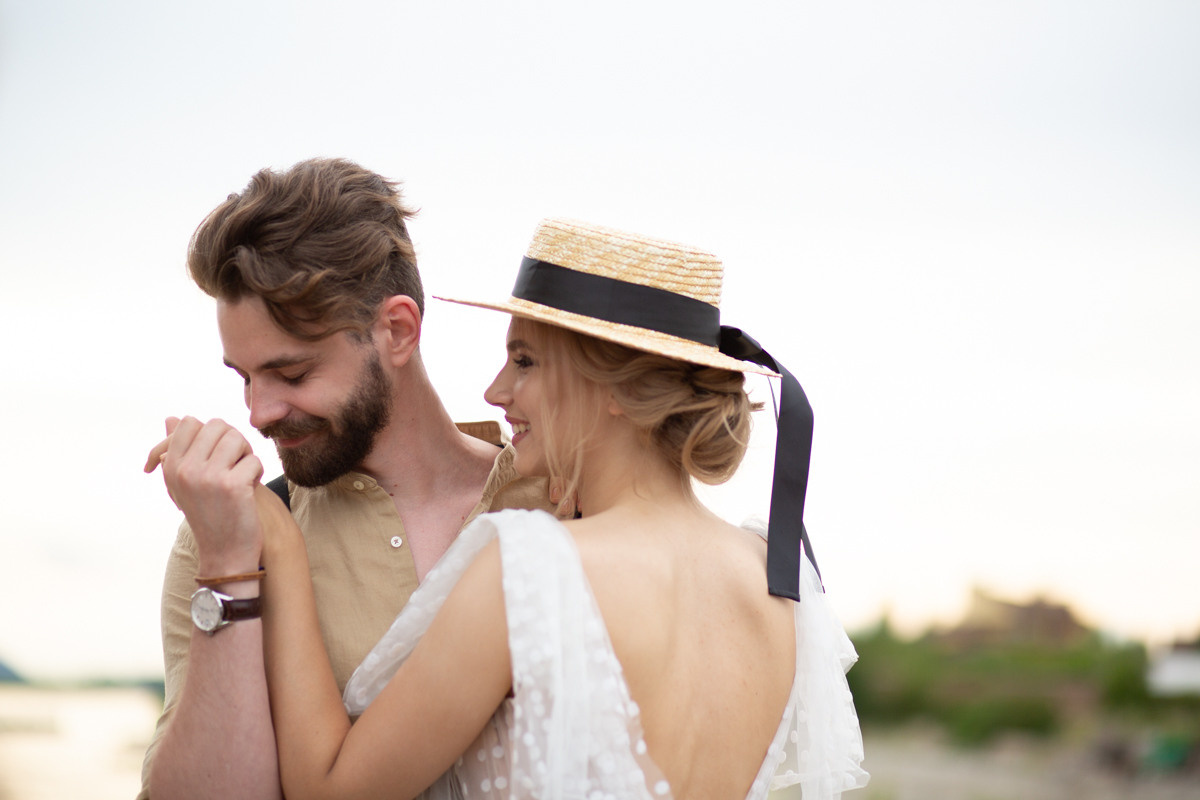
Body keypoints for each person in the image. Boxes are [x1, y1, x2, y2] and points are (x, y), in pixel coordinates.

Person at [156, 217, 869, 798]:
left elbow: (330, 789)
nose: (496, 390)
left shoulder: (531, 565)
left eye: (525, 361)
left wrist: (276, 545)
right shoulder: (782, 574)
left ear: (615, 384)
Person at [138, 158, 552, 800]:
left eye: (293, 373)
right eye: (244, 376)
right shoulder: (222, 538)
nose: (258, 413)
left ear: (396, 330)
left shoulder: (564, 505)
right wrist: (228, 563)